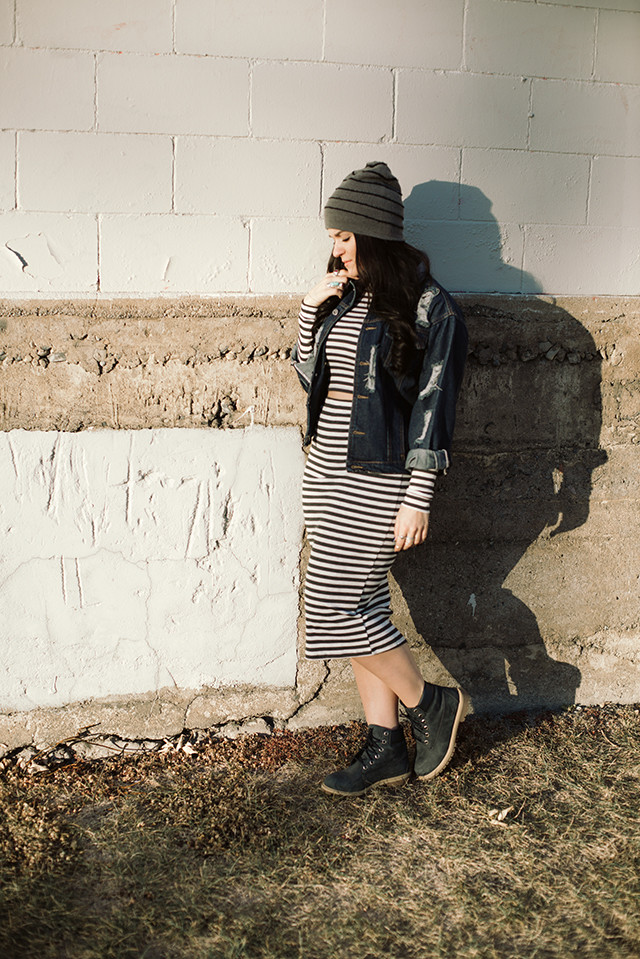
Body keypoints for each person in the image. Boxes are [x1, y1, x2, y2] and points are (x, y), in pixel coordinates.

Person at [292, 161, 469, 796]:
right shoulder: (342, 295)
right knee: (361, 608)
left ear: (372, 232)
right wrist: (311, 313)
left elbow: (435, 404)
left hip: (378, 478)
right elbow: (315, 386)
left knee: (335, 615)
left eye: (343, 235)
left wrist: (418, 495)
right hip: (325, 473)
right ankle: (385, 745)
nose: (334, 248)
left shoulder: (430, 306)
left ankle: (431, 705)